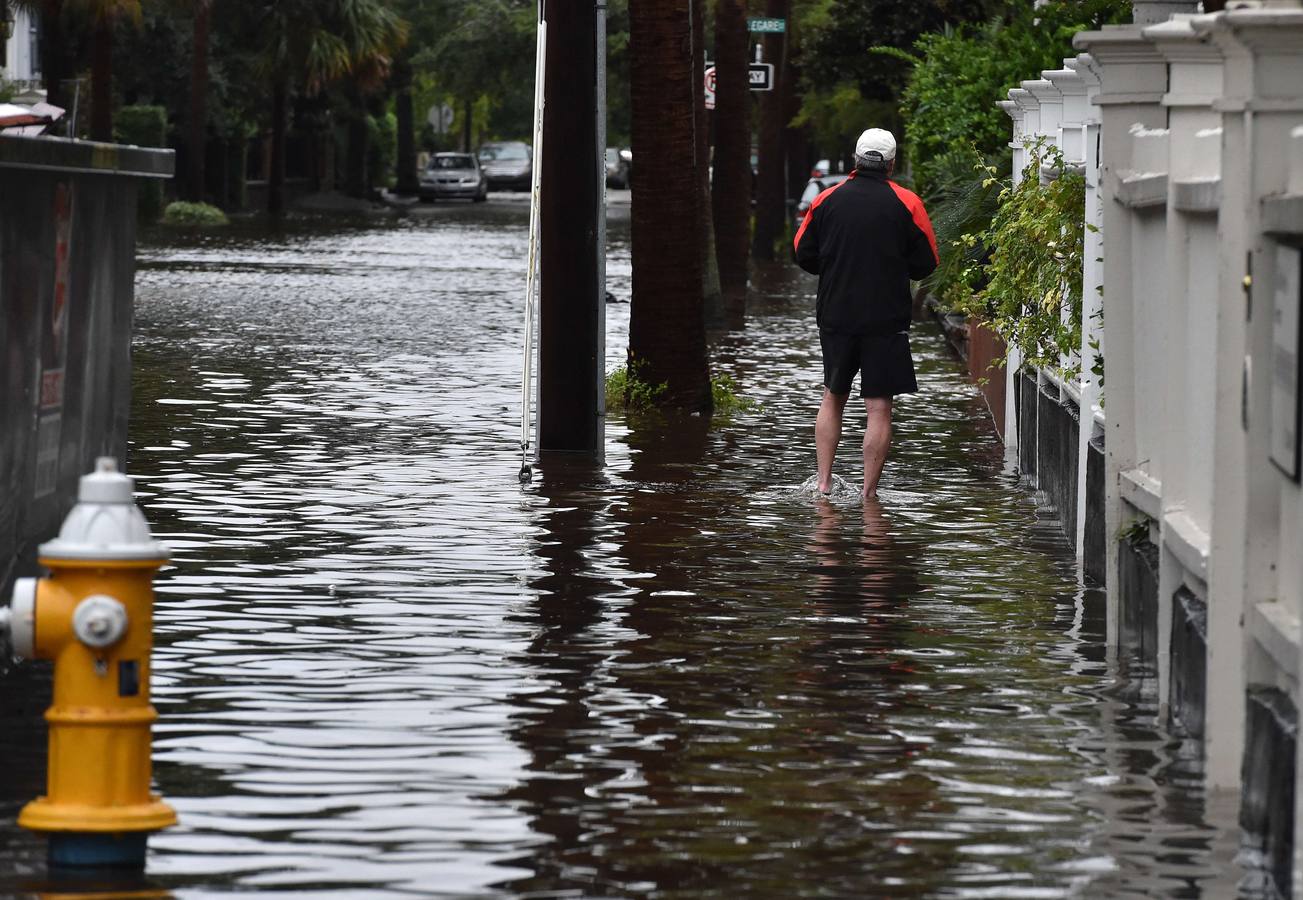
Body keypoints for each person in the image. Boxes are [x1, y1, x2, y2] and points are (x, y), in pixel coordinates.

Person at [793, 128, 938, 499]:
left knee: (833, 395)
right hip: (885, 318)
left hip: (836, 314)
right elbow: (927, 263)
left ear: (856, 159)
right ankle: (868, 496)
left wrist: (834, 266)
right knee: (878, 407)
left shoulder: (826, 200)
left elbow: (802, 251)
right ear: (891, 163)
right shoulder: (908, 204)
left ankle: (823, 483)